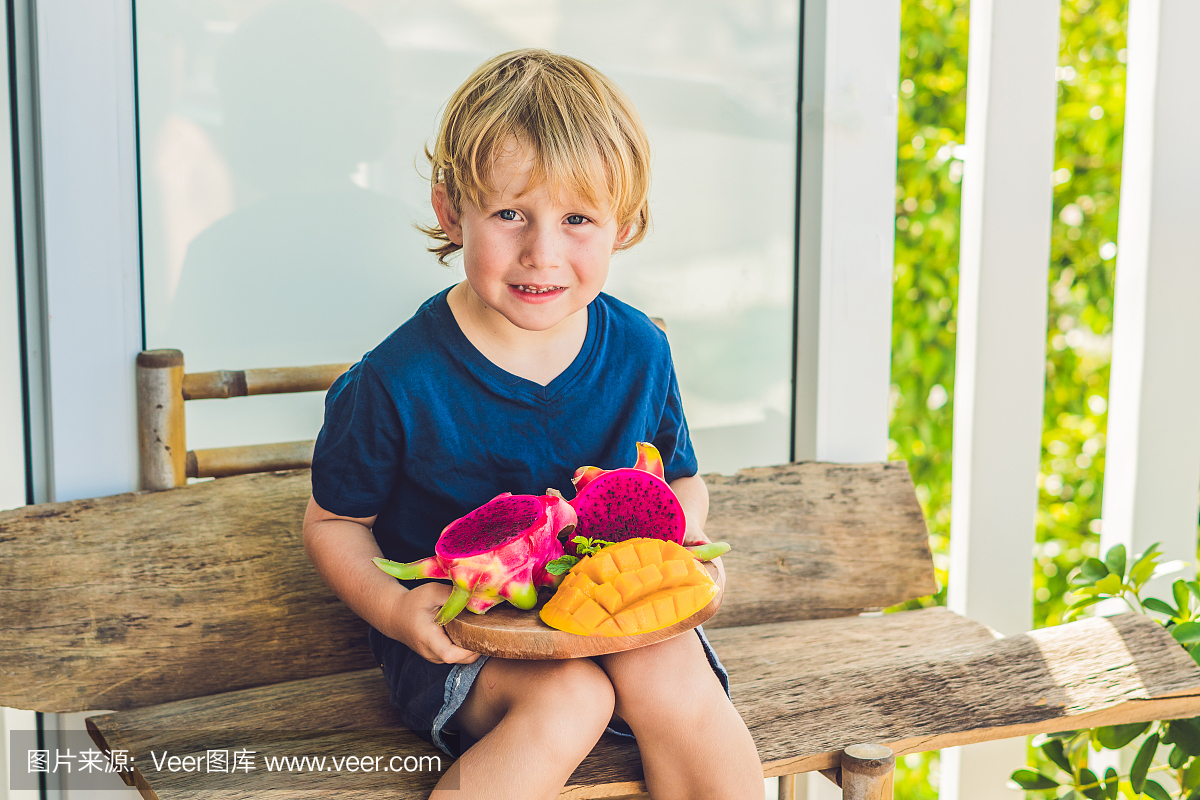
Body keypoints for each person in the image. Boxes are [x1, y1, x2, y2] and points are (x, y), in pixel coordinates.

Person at [302, 49, 763, 800]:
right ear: (452, 209)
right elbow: (333, 522)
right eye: (510, 213)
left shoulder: (642, 349)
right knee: (572, 697)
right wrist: (395, 609)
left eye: (577, 219)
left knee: (669, 670)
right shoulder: (394, 379)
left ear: (627, 224)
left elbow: (677, 479)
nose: (541, 253)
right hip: (468, 642)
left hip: (615, 613)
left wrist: (676, 539)